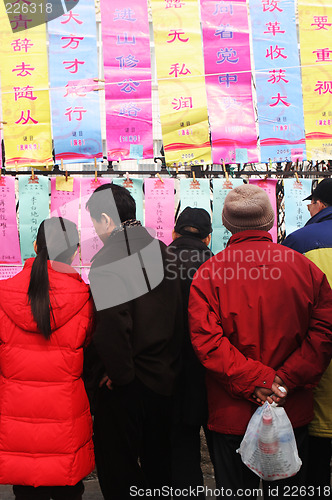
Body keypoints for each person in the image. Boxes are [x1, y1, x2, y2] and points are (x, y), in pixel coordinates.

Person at [188, 184, 332, 499]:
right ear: (269, 222)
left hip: (233, 413)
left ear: (225, 223)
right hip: (289, 406)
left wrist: (259, 380)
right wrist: (282, 380)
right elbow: (325, 331)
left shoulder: (209, 273)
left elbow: (207, 342)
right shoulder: (303, 267)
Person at [84, 183, 183, 499]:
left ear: (107, 219)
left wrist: (120, 374)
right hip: (164, 377)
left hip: (126, 384)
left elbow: (113, 325)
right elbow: (179, 317)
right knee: (158, 466)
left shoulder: (109, 258)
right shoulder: (164, 251)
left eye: (95, 224)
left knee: (120, 470)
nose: (96, 232)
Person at [0, 217, 95, 500]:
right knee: (68, 488)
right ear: (75, 251)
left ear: (35, 246)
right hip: (65, 414)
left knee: (26, 491)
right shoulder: (84, 297)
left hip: (17, 411)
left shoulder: (4, 295)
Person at [282, 177, 332, 489]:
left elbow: (285, 312)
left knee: (314, 468)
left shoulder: (299, 242)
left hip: (316, 369)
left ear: (319, 204)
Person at [168, 207, 214, 498]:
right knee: (223, 445)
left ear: (174, 232)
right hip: (211, 369)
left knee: (178, 445)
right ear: (208, 239)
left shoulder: (156, 262)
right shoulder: (219, 265)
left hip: (167, 368)